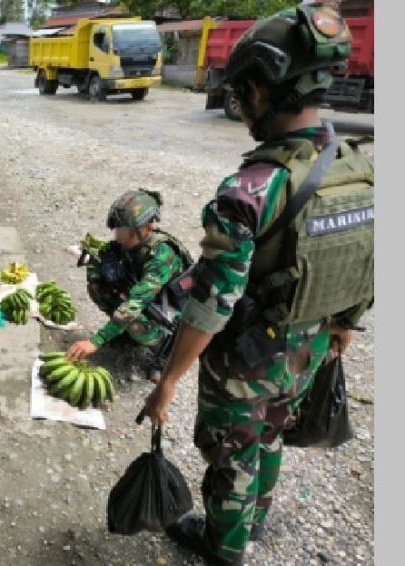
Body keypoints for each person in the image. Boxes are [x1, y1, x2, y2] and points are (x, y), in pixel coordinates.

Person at [143, 5, 373, 565]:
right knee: (272, 434)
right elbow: (369, 258)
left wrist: (169, 380)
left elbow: (210, 307)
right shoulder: (358, 167)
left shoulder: (251, 188)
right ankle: (256, 518)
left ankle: (225, 545)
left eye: (244, 88)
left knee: (231, 453)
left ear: (264, 89)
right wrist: (344, 325)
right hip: (311, 343)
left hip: (249, 356)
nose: (242, 101)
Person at [66, 190, 192, 381]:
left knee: (131, 318)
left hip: (171, 315)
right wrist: (96, 272)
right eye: (118, 230)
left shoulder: (161, 256)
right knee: (98, 288)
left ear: (145, 228)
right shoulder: (126, 243)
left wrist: (96, 341)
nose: (118, 237)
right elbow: (101, 255)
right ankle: (125, 334)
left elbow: (135, 304)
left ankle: (165, 354)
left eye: (124, 232)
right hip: (148, 301)